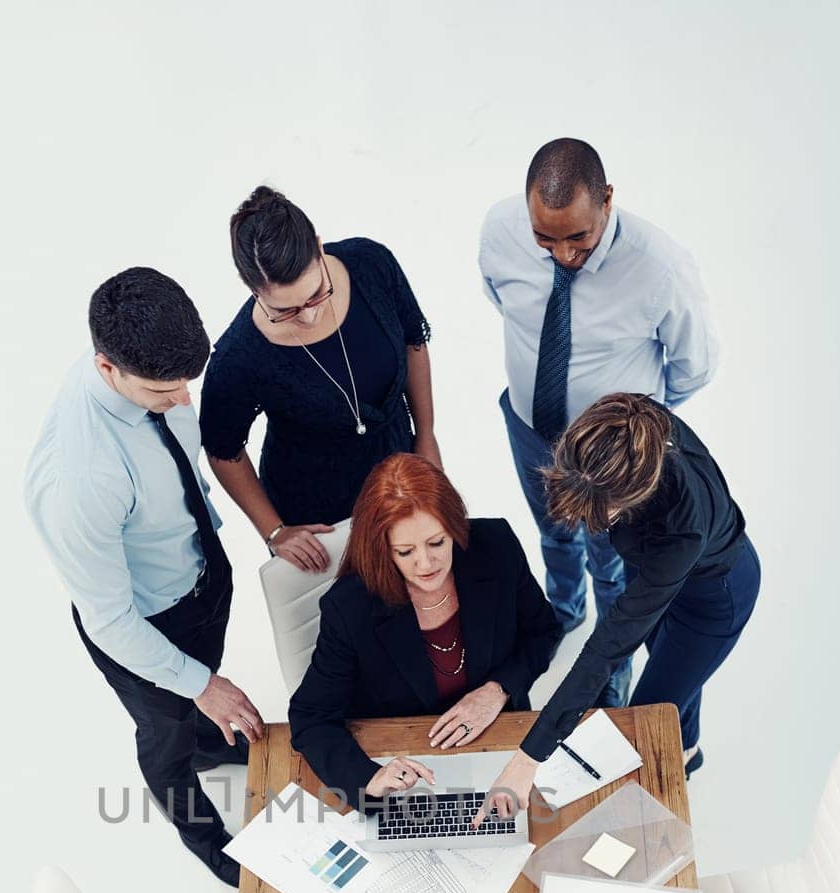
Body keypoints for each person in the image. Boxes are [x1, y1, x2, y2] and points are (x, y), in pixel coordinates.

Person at [24, 267, 264, 887]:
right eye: (166, 391)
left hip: (200, 574)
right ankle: (215, 848)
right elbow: (109, 620)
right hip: (146, 622)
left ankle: (210, 738)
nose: (184, 400)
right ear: (109, 370)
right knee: (166, 739)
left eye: (187, 383)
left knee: (197, 706)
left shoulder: (146, 357)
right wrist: (198, 684)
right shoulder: (81, 482)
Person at [479, 136, 720, 702]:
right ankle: (562, 610)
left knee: (613, 562)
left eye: (579, 238)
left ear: (607, 200)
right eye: (546, 239)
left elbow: (694, 366)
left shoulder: (661, 267)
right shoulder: (500, 230)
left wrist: (631, 435)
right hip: (528, 426)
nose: (563, 255)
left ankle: (610, 663)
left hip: (611, 461)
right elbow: (501, 299)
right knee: (552, 532)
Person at [476, 393, 760, 823]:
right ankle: (689, 750)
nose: (601, 526)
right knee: (675, 676)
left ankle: (660, 787)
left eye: (608, 514)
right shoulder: (627, 425)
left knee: (641, 720)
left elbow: (605, 650)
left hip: (713, 600)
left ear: (639, 492)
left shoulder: (681, 533)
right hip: (652, 565)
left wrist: (527, 759)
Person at [288, 453, 561, 807]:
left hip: (496, 738)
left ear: (454, 527)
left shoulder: (496, 546)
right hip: (404, 761)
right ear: (382, 548)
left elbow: (543, 632)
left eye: (437, 543)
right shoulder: (349, 606)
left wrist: (498, 690)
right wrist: (368, 777)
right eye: (405, 551)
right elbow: (310, 717)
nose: (426, 564)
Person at [199, 186, 440, 576]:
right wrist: (274, 530)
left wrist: (426, 434)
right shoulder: (238, 358)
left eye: (315, 295)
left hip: (399, 461)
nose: (308, 316)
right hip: (317, 508)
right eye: (285, 309)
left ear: (318, 246)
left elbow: (414, 342)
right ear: (251, 289)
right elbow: (223, 451)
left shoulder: (370, 263)